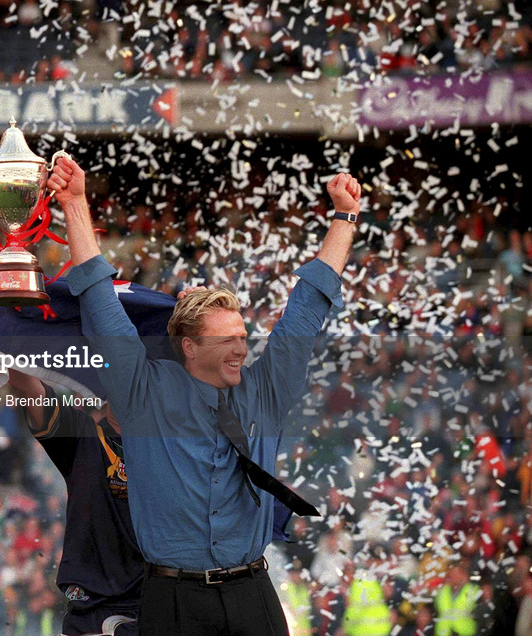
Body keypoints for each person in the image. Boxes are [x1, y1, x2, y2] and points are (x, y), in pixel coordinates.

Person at [48, 156, 360, 635]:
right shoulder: (142, 392)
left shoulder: (266, 390)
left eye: (242, 336)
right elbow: (99, 301)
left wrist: (344, 218)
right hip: (171, 601)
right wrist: (75, 204)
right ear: (189, 347)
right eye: (227, 340)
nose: (241, 348)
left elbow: (307, 308)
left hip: (253, 593)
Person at [0, 286, 141, 636]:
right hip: (94, 604)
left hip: (163, 595)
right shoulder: (81, 432)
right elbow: (29, 388)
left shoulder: (171, 435)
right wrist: (6, 320)